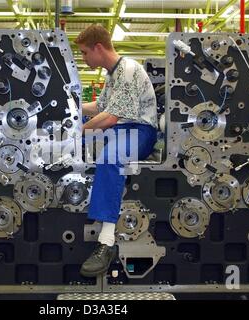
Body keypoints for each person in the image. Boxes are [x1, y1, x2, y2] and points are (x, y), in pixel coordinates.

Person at [75, 25, 158, 277]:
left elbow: (110, 117)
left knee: (110, 156)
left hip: (140, 131)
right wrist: (71, 107)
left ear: (98, 48)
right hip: (121, 130)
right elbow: (100, 106)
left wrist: (80, 131)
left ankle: (106, 241)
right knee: (73, 152)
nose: (84, 59)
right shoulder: (113, 74)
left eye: (84, 53)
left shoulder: (129, 69)